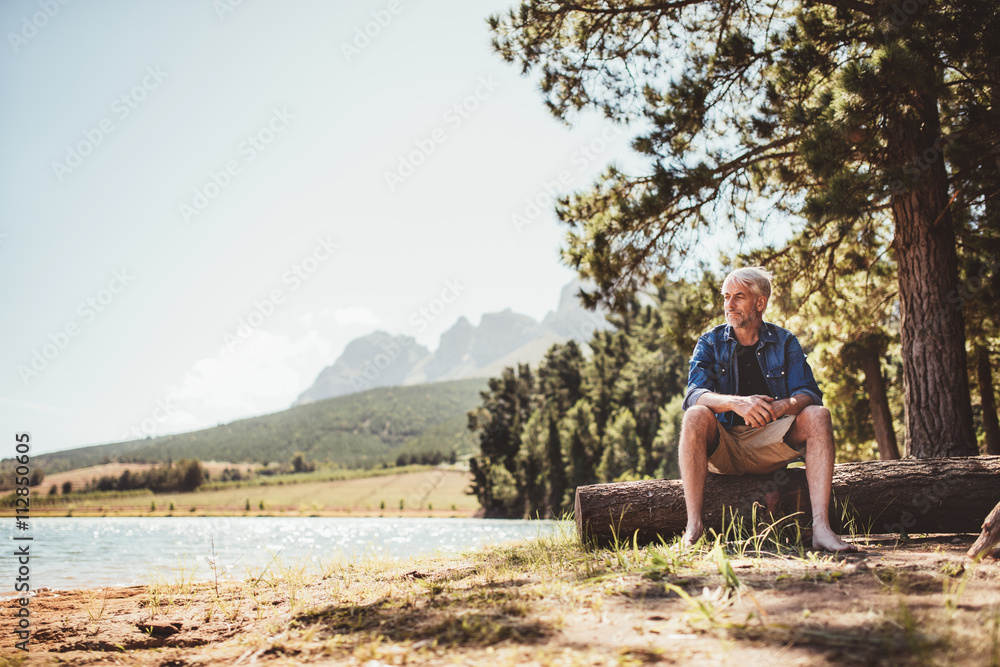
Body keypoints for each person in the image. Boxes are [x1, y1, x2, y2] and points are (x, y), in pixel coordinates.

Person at [679, 266, 854, 552]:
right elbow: (694, 395)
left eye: (738, 296)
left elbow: (809, 393)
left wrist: (783, 406)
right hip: (723, 446)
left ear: (760, 303)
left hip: (769, 444)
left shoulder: (784, 342)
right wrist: (736, 402)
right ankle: (694, 527)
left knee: (818, 416)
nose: (729, 305)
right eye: (725, 297)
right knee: (695, 414)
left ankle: (822, 528)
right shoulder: (709, 342)